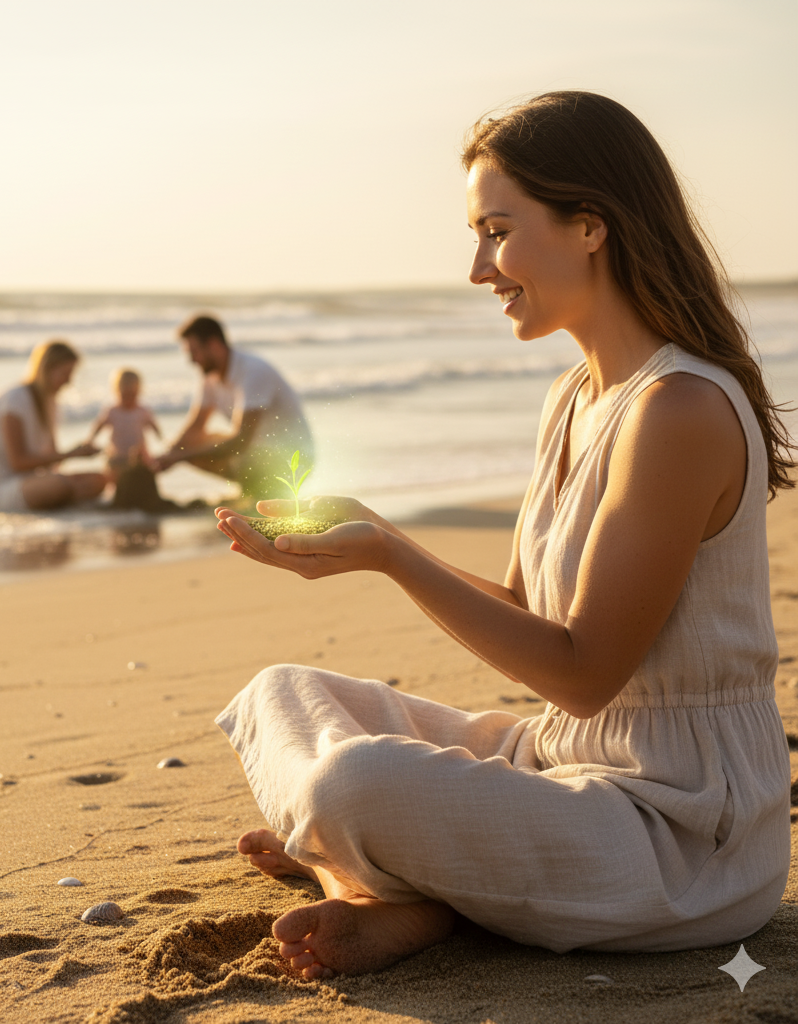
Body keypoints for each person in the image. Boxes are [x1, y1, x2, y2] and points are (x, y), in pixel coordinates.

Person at [213, 91, 794, 979]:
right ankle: (385, 876)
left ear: (590, 226)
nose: (480, 267)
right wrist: (374, 534)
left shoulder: (678, 409)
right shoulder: (574, 400)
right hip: (561, 762)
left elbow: (584, 671)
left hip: (680, 834)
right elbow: (530, 613)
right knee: (278, 693)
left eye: (497, 230)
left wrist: (393, 559)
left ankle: (378, 876)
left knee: (349, 785)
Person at [154, 314, 313, 504]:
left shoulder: (253, 371)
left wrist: (179, 457)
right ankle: (254, 491)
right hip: (257, 453)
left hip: (291, 460)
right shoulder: (210, 377)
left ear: (214, 345)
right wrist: (165, 456)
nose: (191, 360)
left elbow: (241, 440)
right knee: (190, 444)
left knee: (213, 450)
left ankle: (265, 495)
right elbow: (195, 427)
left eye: (194, 351)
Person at [0, 339, 105, 511]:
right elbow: (18, 462)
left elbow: (52, 463)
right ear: (47, 369)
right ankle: (60, 499)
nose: (69, 381)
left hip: (29, 481)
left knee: (99, 480)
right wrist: (72, 454)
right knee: (59, 485)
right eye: (65, 373)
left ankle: (59, 501)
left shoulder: (50, 403)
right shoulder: (15, 400)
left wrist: (78, 453)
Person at [87, 368, 163, 485]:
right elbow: (99, 425)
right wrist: (91, 439)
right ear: (116, 391)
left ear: (139, 391)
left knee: (145, 473)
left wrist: (162, 439)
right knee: (114, 475)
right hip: (117, 454)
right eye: (124, 395)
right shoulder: (112, 411)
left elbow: (154, 426)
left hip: (139, 455)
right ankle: (115, 494)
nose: (128, 399)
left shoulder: (142, 411)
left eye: (132, 395)